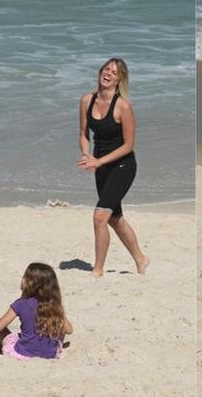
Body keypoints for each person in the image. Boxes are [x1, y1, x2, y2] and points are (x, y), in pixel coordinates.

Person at [78, 58, 149, 277]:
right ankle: (141, 259)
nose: (108, 73)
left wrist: (98, 161)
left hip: (122, 165)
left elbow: (129, 145)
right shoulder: (86, 100)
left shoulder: (123, 106)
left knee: (100, 216)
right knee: (114, 218)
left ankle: (97, 269)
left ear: (119, 80)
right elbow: (83, 133)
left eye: (114, 72)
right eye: (106, 69)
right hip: (100, 167)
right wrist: (86, 154)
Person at [0, 262, 73, 360]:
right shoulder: (55, 305)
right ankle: (46, 346)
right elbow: (69, 330)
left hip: (23, 353)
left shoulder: (21, 304)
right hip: (50, 354)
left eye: (25, 277)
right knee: (55, 327)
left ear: (31, 283)